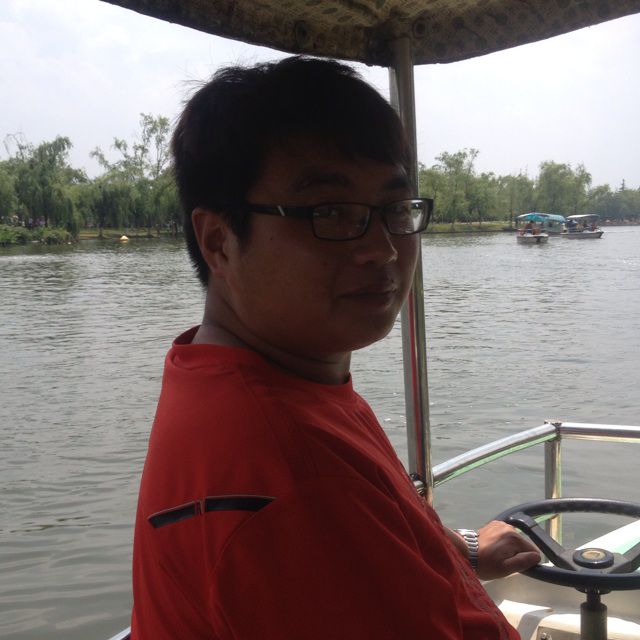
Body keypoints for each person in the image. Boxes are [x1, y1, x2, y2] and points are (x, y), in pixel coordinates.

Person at [131, 56, 540, 640]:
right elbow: (317, 521)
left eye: (394, 209)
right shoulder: (298, 480)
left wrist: (461, 552)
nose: (383, 248)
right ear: (219, 241)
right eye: (330, 213)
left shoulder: (232, 376)